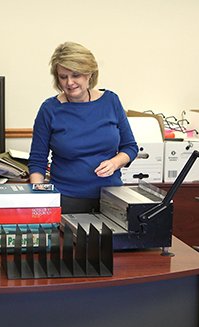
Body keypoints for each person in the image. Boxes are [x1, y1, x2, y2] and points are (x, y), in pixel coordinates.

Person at [28, 41, 138, 214]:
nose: (69, 82)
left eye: (76, 75)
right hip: (66, 199)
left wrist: (115, 163)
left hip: (111, 198)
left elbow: (130, 147)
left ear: (89, 74)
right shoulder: (49, 109)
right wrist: (39, 197)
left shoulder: (111, 101)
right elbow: (37, 161)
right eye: (63, 77)